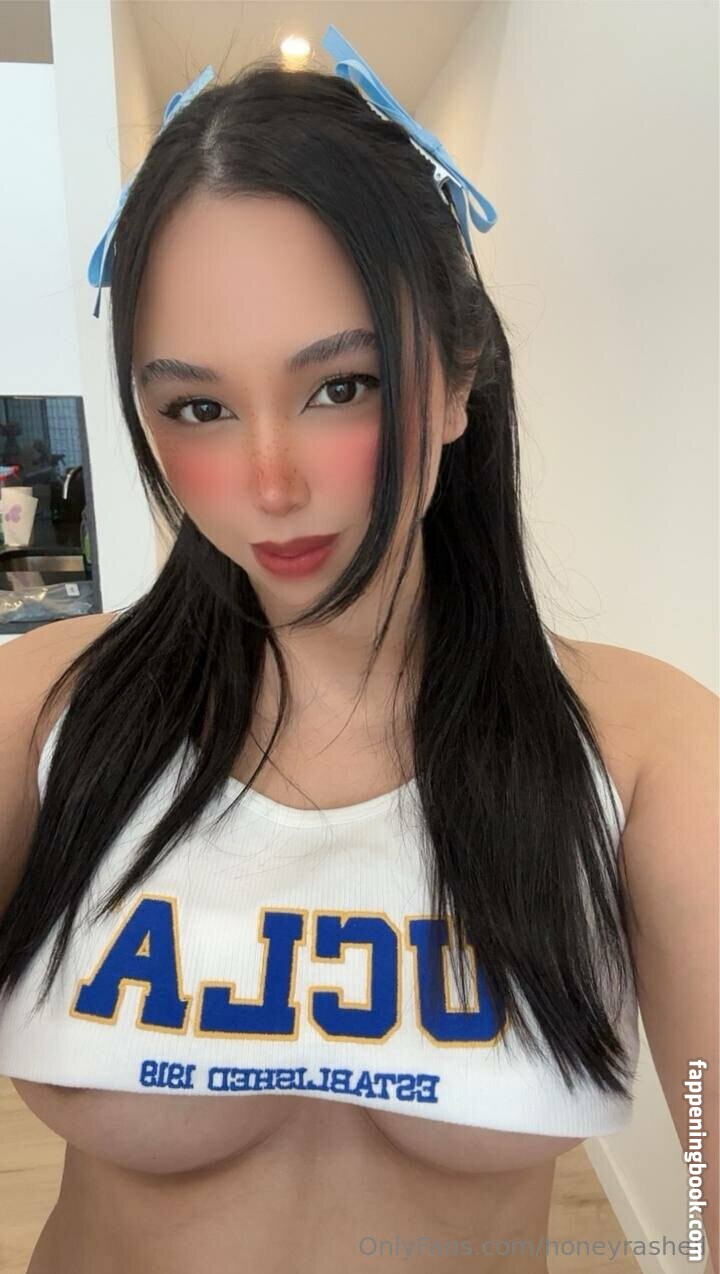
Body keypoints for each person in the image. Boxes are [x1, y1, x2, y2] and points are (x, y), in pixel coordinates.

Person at [0, 27, 716, 1274]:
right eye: (198, 407)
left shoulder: (645, 750)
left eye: (342, 385)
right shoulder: (39, 710)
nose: (271, 482)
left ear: (457, 380)